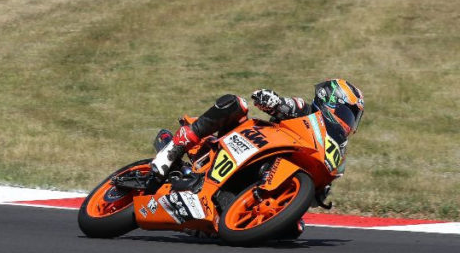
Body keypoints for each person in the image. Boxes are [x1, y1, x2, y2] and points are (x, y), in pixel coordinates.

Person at [151, 79, 365, 179]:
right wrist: (270, 100)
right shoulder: (305, 110)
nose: (348, 123)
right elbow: (283, 105)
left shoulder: (333, 145)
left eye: (352, 118)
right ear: (329, 100)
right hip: (250, 142)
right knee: (236, 104)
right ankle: (174, 149)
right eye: (346, 114)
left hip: (272, 165)